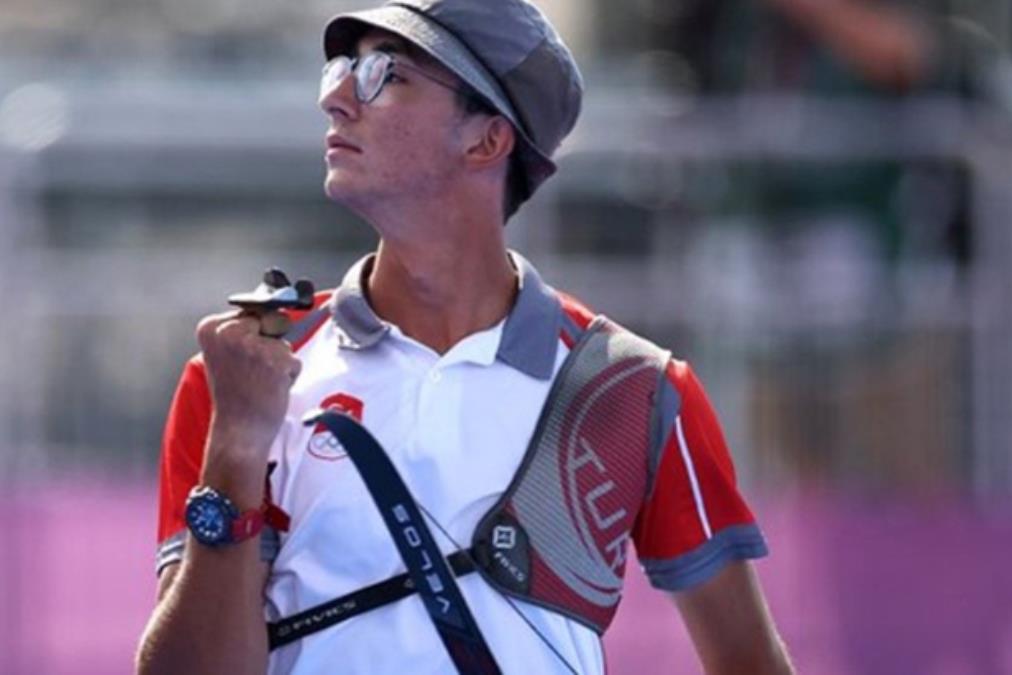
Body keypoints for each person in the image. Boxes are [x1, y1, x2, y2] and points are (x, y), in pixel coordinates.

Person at [135, 1, 793, 673]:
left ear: (487, 141)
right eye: (342, 69)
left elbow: (751, 662)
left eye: (386, 75)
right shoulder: (244, 374)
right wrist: (237, 446)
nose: (335, 98)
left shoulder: (635, 387)